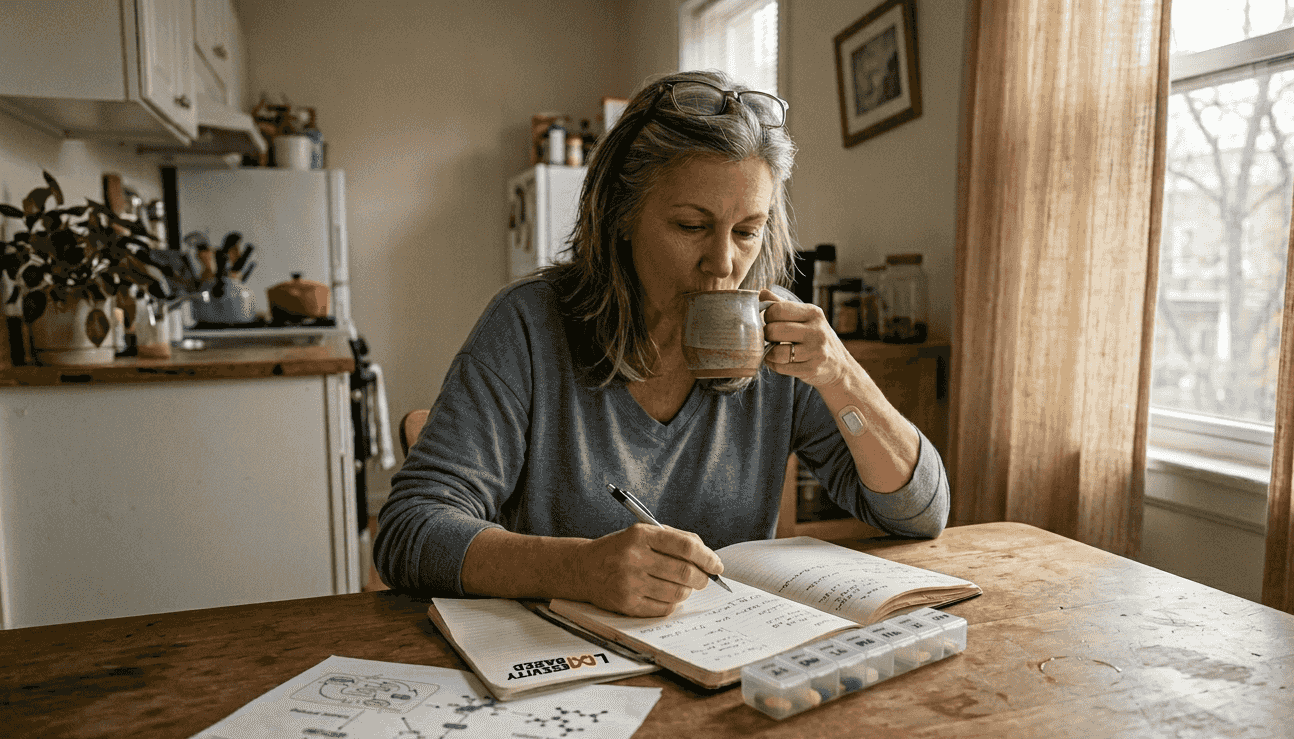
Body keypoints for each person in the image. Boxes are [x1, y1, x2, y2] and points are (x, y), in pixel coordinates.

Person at [375, 70, 948, 618]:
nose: (724, 264)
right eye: (691, 226)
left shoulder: (775, 337)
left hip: (727, 668)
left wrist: (840, 375)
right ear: (621, 216)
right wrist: (579, 568)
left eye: (747, 231)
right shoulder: (528, 326)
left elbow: (918, 513)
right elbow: (410, 529)